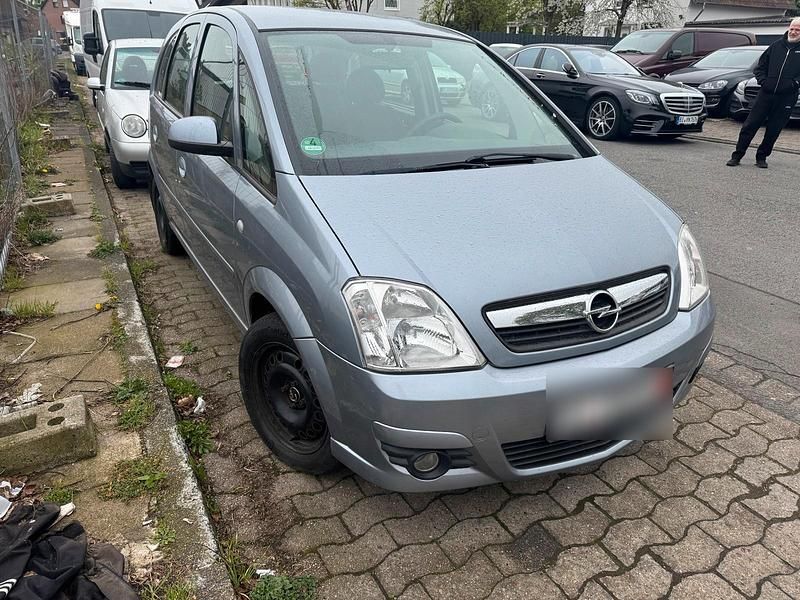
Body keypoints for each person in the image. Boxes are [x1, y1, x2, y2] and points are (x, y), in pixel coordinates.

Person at [727, 18, 800, 168]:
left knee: (774, 129)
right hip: (766, 94)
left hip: (786, 97)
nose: (793, 32)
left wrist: (793, 84)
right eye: (792, 28)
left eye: (797, 30)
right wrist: (764, 82)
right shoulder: (775, 46)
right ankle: (737, 155)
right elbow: (759, 68)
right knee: (750, 125)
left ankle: (761, 157)